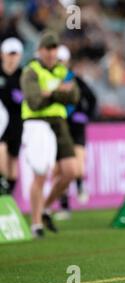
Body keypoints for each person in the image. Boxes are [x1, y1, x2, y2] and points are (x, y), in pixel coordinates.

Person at [20, 31, 79, 238]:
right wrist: (60, 92)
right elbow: (34, 101)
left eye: (54, 48)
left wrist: (50, 93)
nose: (52, 52)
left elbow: (75, 96)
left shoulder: (62, 69)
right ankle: (36, 223)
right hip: (37, 123)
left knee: (70, 171)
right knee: (41, 172)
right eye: (48, 48)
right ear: (40, 51)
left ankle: (45, 207)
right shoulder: (31, 71)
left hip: (59, 123)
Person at [54, 45, 97, 220]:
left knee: (78, 165)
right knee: (60, 170)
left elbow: (92, 99)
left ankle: (79, 185)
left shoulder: (75, 80)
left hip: (76, 128)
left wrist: (85, 115)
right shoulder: (50, 80)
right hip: (59, 128)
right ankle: (64, 207)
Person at [0, 37, 24, 195]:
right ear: (2, 54)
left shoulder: (23, 76)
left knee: (13, 161)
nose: (12, 58)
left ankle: (8, 194)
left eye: (15, 54)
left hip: (16, 122)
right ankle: (2, 181)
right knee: (1, 149)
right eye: (10, 54)